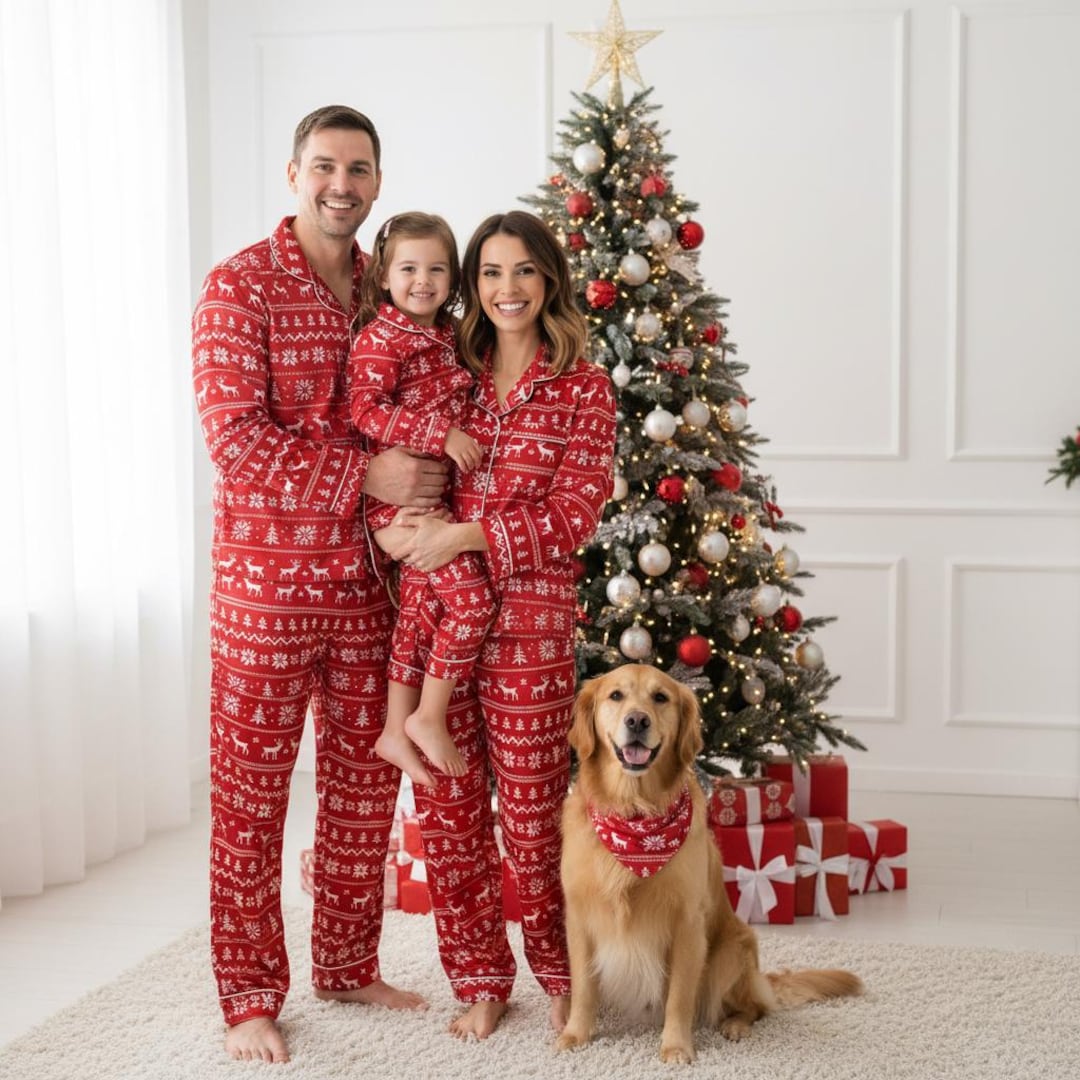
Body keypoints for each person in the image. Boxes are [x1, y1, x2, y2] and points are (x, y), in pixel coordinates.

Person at [192, 105, 448, 1065]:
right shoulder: (239, 287)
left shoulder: (396, 287)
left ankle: (345, 964)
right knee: (250, 801)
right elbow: (235, 441)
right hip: (266, 591)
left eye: (361, 168)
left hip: (374, 589)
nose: (343, 183)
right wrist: (366, 478)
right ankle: (251, 996)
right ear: (294, 172)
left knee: (362, 791)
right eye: (326, 166)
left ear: (379, 181)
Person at [390, 211, 616, 1040]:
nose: (506, 288)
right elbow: (411, 467)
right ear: (473, 285)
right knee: (447, 815)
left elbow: (573, 514)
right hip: (441, 622)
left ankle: (561, 977)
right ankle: (480, 981)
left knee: (529, 820)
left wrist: (466, 533)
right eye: (489, 272)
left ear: (548, 279)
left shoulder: (583, 386)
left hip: (530, 630)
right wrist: (413, 530)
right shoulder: (452, 371)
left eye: (522, 271)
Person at [348, 212, 497, 789]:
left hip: (440, 502)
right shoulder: (381, 339)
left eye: (437, 268)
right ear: (385, 276)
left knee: (418, 614)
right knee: (471, 605)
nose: (423, 280)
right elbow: (366, 412)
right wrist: (443, 438)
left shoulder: (445, 333)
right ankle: (428, 715)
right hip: (399, 503)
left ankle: (393, 728)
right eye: (409, 268)